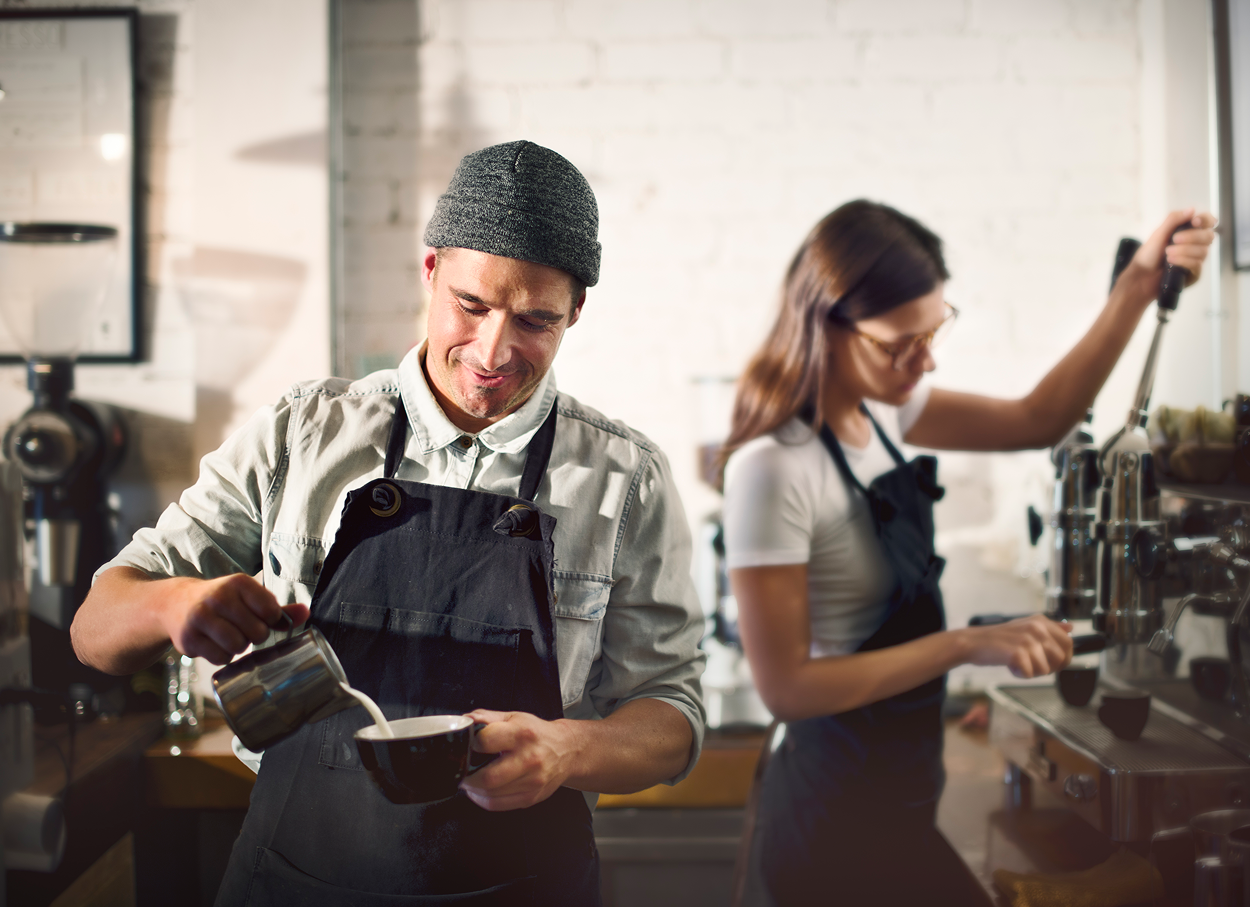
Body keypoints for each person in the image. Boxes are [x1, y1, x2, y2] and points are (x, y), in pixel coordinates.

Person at [72, 141, 707, 905]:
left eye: (536, 319)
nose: (493, 351)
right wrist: (175, 604)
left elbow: (671, 712)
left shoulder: (624, 478)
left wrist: (572, 748)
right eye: (471, 306)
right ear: (431, 271)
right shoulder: (301, 434)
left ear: (576, 311)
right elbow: (95, 629)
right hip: (295, 881)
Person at [719, 200, 1216, 905]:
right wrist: (964, 645)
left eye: (934, 332)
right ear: (826, 325)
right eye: (900, 344)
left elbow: (1038, 418)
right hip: (827, 819)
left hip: (907, 795)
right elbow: (787, 688)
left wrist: (1137, 285)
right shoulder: (774, 467)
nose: (923, 362)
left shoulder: (885, 412)